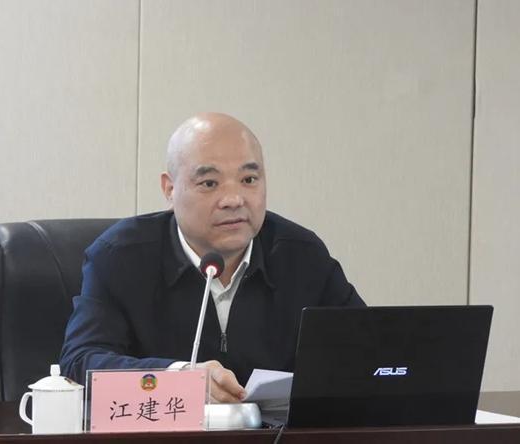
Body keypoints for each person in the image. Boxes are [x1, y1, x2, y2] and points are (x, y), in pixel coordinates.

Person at [60, 112, 365, 402]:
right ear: (170, 189)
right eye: (209, 183)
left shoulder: (301, 255)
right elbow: (80, 362)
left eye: (249, 180)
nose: (233, 200)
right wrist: (179, 380)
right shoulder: (119, 257)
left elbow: (368, 352)